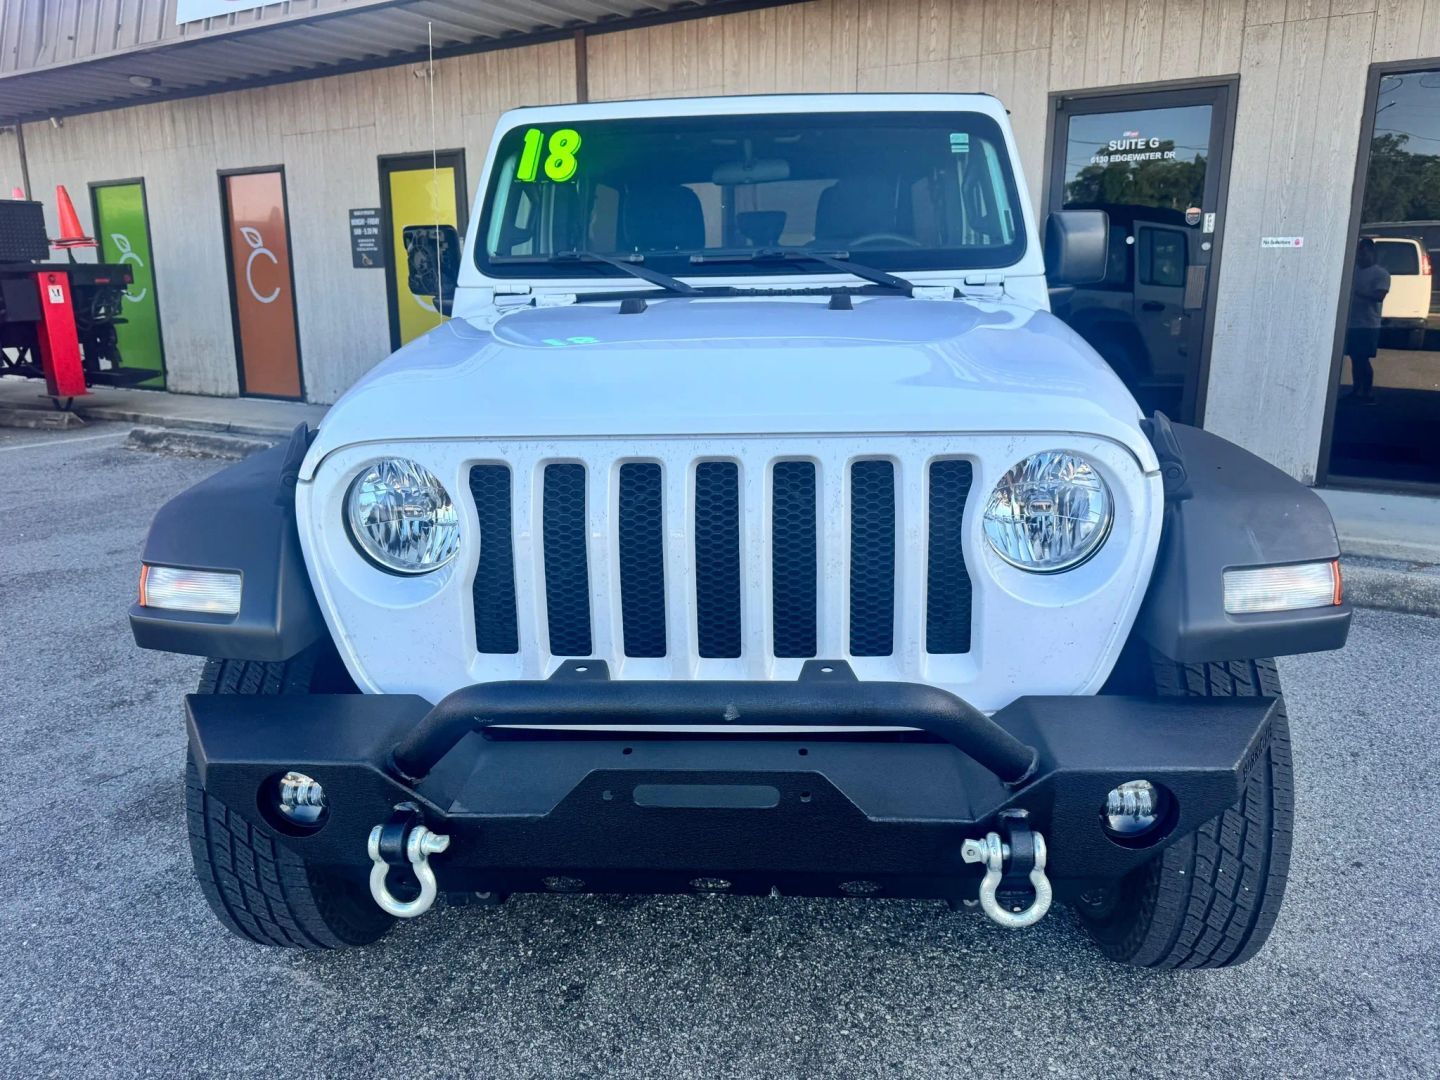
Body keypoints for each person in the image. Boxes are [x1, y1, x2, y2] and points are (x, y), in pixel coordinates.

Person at [1344, 237, 1390, 404]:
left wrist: (1355, 293)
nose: (1360, 257)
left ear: (1371, 253)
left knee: (1363, 358)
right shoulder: (1353, 270)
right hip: (1351, 322)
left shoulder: (1381, 274)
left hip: (1368, 323)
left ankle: (1368, 392)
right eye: (1359, 253)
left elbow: (1379, 296)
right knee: (1355, 358)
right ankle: (1357, 390)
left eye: (1364, 253)